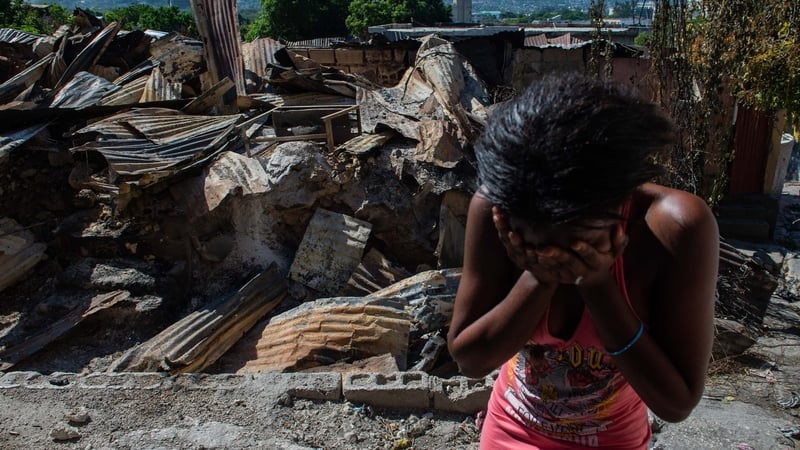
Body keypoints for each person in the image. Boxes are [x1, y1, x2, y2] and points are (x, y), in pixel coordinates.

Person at [447, 72, 719, 449]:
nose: (554, 256)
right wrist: (539, 277)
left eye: (572, 244)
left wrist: (596, 283)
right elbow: (471, 361)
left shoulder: (675, 227)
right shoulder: (501, 208)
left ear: (617, 203)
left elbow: (675, 403)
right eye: (536, 245)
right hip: (510, 431)